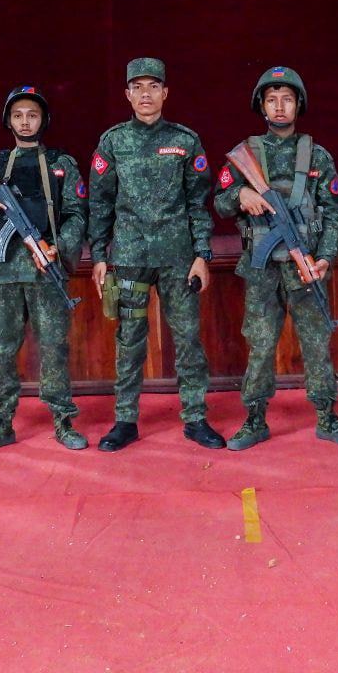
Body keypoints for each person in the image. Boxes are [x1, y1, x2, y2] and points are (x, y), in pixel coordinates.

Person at [213, 66, 338, 450]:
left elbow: (334, 215)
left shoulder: (318, 157)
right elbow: (219, 201)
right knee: (261, 343)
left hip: (306, 265)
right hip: (262, 269)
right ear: (261, 106)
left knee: (316, 341)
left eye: (287, 99)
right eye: (272, 99)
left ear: (299, 105)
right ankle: (254, 419)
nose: (279, 106)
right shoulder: (246, 155)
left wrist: (325, 257)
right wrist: (240, 195)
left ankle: (327, 416)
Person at [88, 57, 225, 452]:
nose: (145, 94)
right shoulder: (113, 142)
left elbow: (199, 202)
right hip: (129, 258)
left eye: (153, 86)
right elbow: (100, 203)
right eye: (138, 87)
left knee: (187, 339)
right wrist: (99, 256)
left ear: (165, 92)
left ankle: (195, 418)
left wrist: (202, 255)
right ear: (127, 94)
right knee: (129, 339)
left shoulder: (185, 141)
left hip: (178, 258)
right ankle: (125, 421)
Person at [0, 86, 90, 451]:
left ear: (44, 120)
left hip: (46, 269)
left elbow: (77, 214)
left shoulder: (62, 164)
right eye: (18, 115)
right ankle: (0, 424)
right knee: (1, 350)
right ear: (8, 121)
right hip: (3, 271)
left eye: (32, 115)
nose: (25, 122)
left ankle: (63, 420)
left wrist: (58, 248)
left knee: (54, 348)